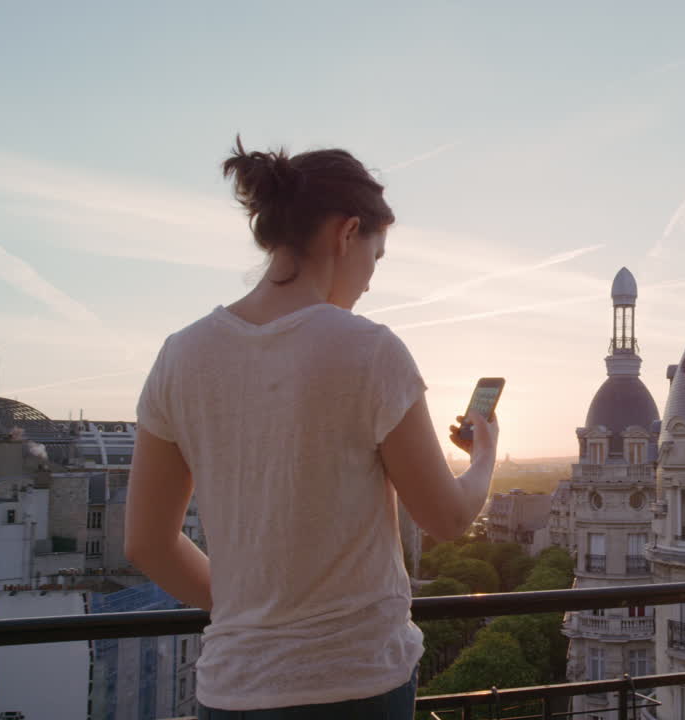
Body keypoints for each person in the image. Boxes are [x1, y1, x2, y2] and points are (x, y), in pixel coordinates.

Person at [125, 137, 497, 718]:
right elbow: (447, 518)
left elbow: (147, 542)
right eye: (374, 259)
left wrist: (248, 615)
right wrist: (485, 457)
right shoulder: (368, 349)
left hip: (233, 687)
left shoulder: (181, 355)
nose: (370, 281)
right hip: (355, 681)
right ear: (347, 234)